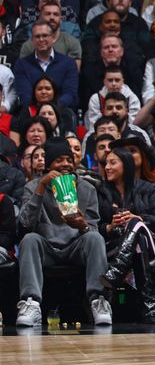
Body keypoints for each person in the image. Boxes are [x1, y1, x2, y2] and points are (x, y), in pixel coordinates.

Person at [15, 137, 111, 327]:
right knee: (29, 239)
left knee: (94, 237)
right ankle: (31, 303)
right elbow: (25, 224)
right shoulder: (32, 187)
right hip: (47, 247)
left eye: (68, 159)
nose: (66, 164)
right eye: (59, 160)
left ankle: (99, 300)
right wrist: (41, 188)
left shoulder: (87, 188)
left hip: (76, 247)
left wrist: (82, 225)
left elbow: (93, 227)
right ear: (49, 164)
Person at [98, 147, 155, 323]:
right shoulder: (101, 191)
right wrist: (110, 226)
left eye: (113, 163)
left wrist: (139, 218)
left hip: (151, 247)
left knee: (137, 225)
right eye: (106, 164)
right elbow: (96, 227)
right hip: (114, 246)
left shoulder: (147, 189)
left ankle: (117, 271)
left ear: (126, 165)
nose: (107, 167)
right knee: (138, 243)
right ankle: (149, 309)